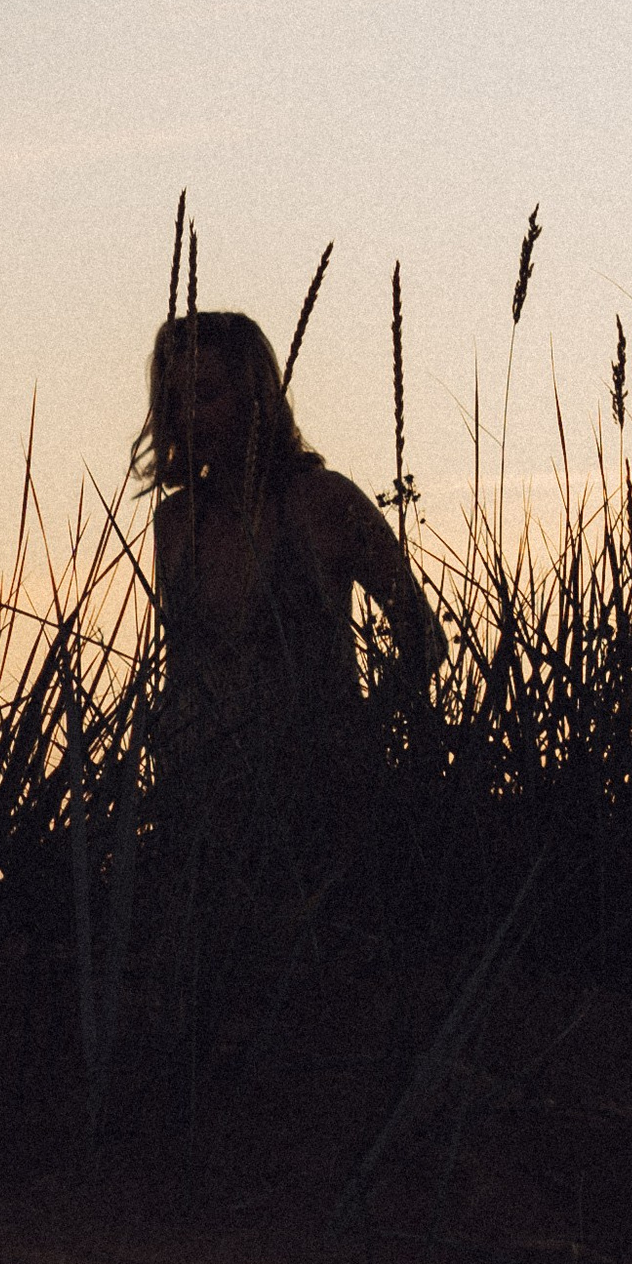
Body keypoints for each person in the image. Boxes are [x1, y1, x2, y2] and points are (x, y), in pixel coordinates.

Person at [133, 309, 444, 871]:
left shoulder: (323, 502)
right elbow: (187, 666)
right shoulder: (175, 523)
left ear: (256, 399)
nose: (190, 416)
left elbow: (423, 636)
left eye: (208, 394)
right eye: (176, 399)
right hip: (202, 816)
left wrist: (361, 738)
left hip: (320, 816)